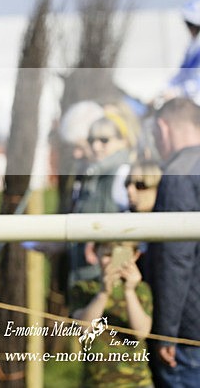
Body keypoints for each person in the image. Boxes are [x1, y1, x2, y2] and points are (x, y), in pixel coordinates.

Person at [149, 97, 200, 386]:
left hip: (189, 334)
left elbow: (176, 258)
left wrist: (166, 331)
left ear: (162, 127)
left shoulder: (179, 174)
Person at [71, 241, 153, 387]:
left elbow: (141, 332)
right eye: (108, 255)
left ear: (135, 255)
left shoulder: (141, 289)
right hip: (97, 382)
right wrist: (103, 292)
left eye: (121, 256)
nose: (113, 263)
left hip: (137, 382)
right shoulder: (84, 288)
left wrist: (129, 291)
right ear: (95, 253)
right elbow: (83, 329)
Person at [70, 115, 133, 287]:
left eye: (104, 140)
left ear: (122, 141)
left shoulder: (123, 174)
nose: (96, 146)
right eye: (91, 140)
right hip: (84, 277)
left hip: (110, 281)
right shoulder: (93, 174)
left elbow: (132, 231)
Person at [155, 0, 200, 106]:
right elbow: (181, 74)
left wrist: (177, 92)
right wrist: (163, 91)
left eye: (191, 24)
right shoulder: (193, 47)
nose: (189, 28)